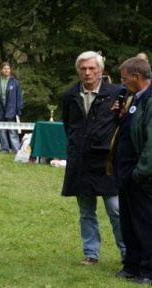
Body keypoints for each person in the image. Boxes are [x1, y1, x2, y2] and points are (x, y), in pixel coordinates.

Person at [61, 51, 126, 266]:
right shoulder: (70, 95)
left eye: (91, 68)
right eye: (83, 69)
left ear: (100, 70)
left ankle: (128, 252)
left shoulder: (117, 93)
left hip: (107, 162)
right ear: (78, 71)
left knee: (116, 209)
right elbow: (68, 125)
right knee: (86, 211)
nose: (87, 72)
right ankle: (91, 253)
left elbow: (122, 125)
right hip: (81, 162)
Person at [112, 57, 152, 285]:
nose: (121, 82)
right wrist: (118, 117)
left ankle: (148, 270)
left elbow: (150, 142)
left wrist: (141, 172)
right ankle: (132, 265)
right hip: (125, 172)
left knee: (145, 223)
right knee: (128, 222)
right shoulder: (133, 99)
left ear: (137, 77)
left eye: (124, 78)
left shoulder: (150, 100)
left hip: (142, 175)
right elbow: (129, 131)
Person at [0, 62, 23, 154]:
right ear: (1, 70)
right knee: (2, 130)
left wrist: (18, 109)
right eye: (4, 68)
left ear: (10, 70)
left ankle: (16, 150)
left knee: (12, 131)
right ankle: (4, 149)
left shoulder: (15, 82)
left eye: (8, 68)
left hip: (11, 111)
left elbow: (19, 97)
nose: (6, 70)